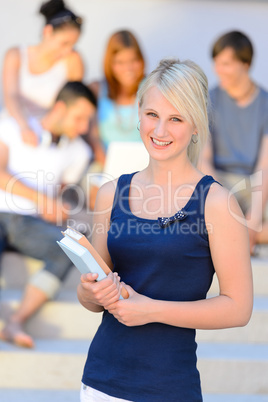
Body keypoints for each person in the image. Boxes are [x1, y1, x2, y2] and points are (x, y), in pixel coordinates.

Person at [77, 59, 253, 401]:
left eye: (176, 119)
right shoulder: (111, 193)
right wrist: (91, 292)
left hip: (169, 388)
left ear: (196, 126)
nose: (160, 131)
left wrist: (150, 309)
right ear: (138, 114)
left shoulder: (217, 203)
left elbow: (238, 307)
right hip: (100, 383)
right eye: (152, 115)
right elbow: (92, 299)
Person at [0, 81, 97, 348]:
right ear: (59, 108)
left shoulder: (79, 151)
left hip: (29, 223)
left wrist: (58, 208)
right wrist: (42, 199)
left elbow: (61, 194)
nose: (84, 127)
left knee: (68, 250)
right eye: (79, 118)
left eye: (88, 120)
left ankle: (16, 321)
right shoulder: (10, 126)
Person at [200, 30, 268, 254]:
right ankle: (245, 233)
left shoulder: (265, 103)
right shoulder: (211, 99)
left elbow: (264, 166)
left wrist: (255, 217)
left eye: (226, 64)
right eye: (216, 63)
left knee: (253, 219)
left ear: (245, 64)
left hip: (256, 185)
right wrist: (226, 201)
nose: (218, 70)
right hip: (222, 182)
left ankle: (241, 232)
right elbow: (204, 159)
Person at [1, 0, 84, 146]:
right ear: (47, 32)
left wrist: (45, 129)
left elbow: (73, 101)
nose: (68, 50)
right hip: (15, 124)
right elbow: (11, 96)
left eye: (73, 45)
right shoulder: (15, 55)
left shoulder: (73, 60)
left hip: (50, 133)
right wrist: (25, 127)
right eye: (64, 43)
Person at [87, 29, 146, 167]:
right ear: (110, 64)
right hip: (105, 164)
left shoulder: (153, 87)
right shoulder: (97, 89)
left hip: (145, 166)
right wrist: (103, 160)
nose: (128, 68)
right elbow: (92, 134)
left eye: (133, 60)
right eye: (120, 62)